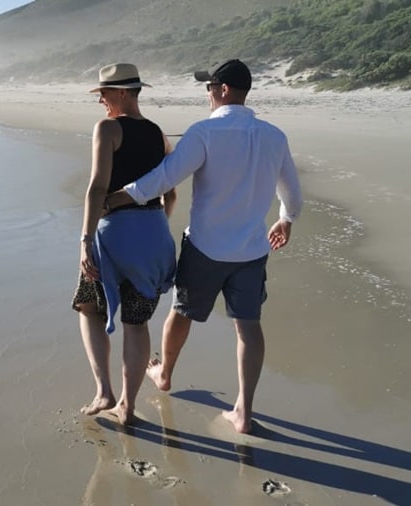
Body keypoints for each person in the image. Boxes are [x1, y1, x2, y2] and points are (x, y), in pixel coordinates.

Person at [104, 59, 303, 433]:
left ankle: (164, 374)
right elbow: (292, 192)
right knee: (248, 327)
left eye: (209, 87)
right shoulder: (274, 136)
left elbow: (165, 177)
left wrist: (116, 199)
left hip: (206, 248)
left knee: (181, 313)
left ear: (223, 90)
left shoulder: (204, 133)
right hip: (250, 251)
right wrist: (286, 218)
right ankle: (244, 411)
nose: (208, 94)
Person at [72, 63, 178, 426]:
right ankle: (128, 408)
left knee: (89, 306)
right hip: (154, 234)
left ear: (120, 93)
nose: (100, 100)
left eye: (103, 93)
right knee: (137, 321)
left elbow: (97, 187)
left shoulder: (108, 128)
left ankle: (105, 392)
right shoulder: (158, 132)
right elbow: (171, 195)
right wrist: (154, 227)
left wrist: (85, 240)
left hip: (115, 236)